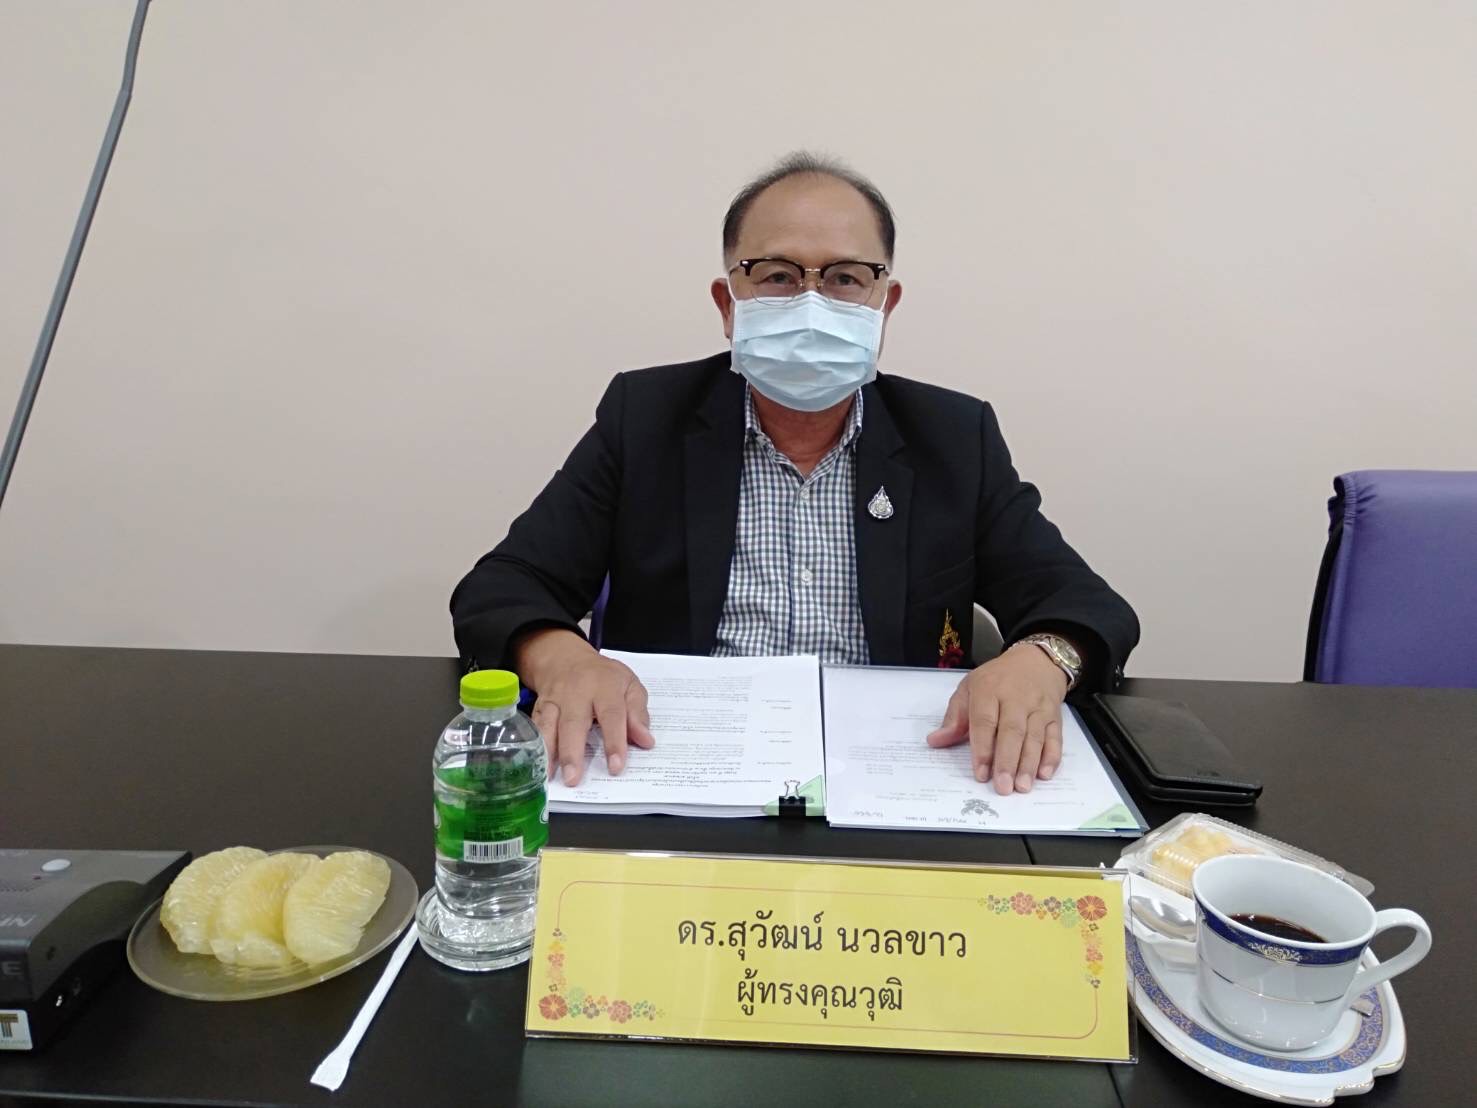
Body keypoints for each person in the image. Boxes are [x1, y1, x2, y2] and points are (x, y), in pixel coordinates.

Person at [452, 152, 1138, 797]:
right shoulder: (647, 419)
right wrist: (563, 659)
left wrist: (1040, 661)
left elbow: (1084, 603)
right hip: (677, 763)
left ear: (884, 304)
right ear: (728, 303)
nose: (812, 302)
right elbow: (503, 586)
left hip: (897, 774)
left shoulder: (954, 437)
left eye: (844, 278)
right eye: (778, 275)